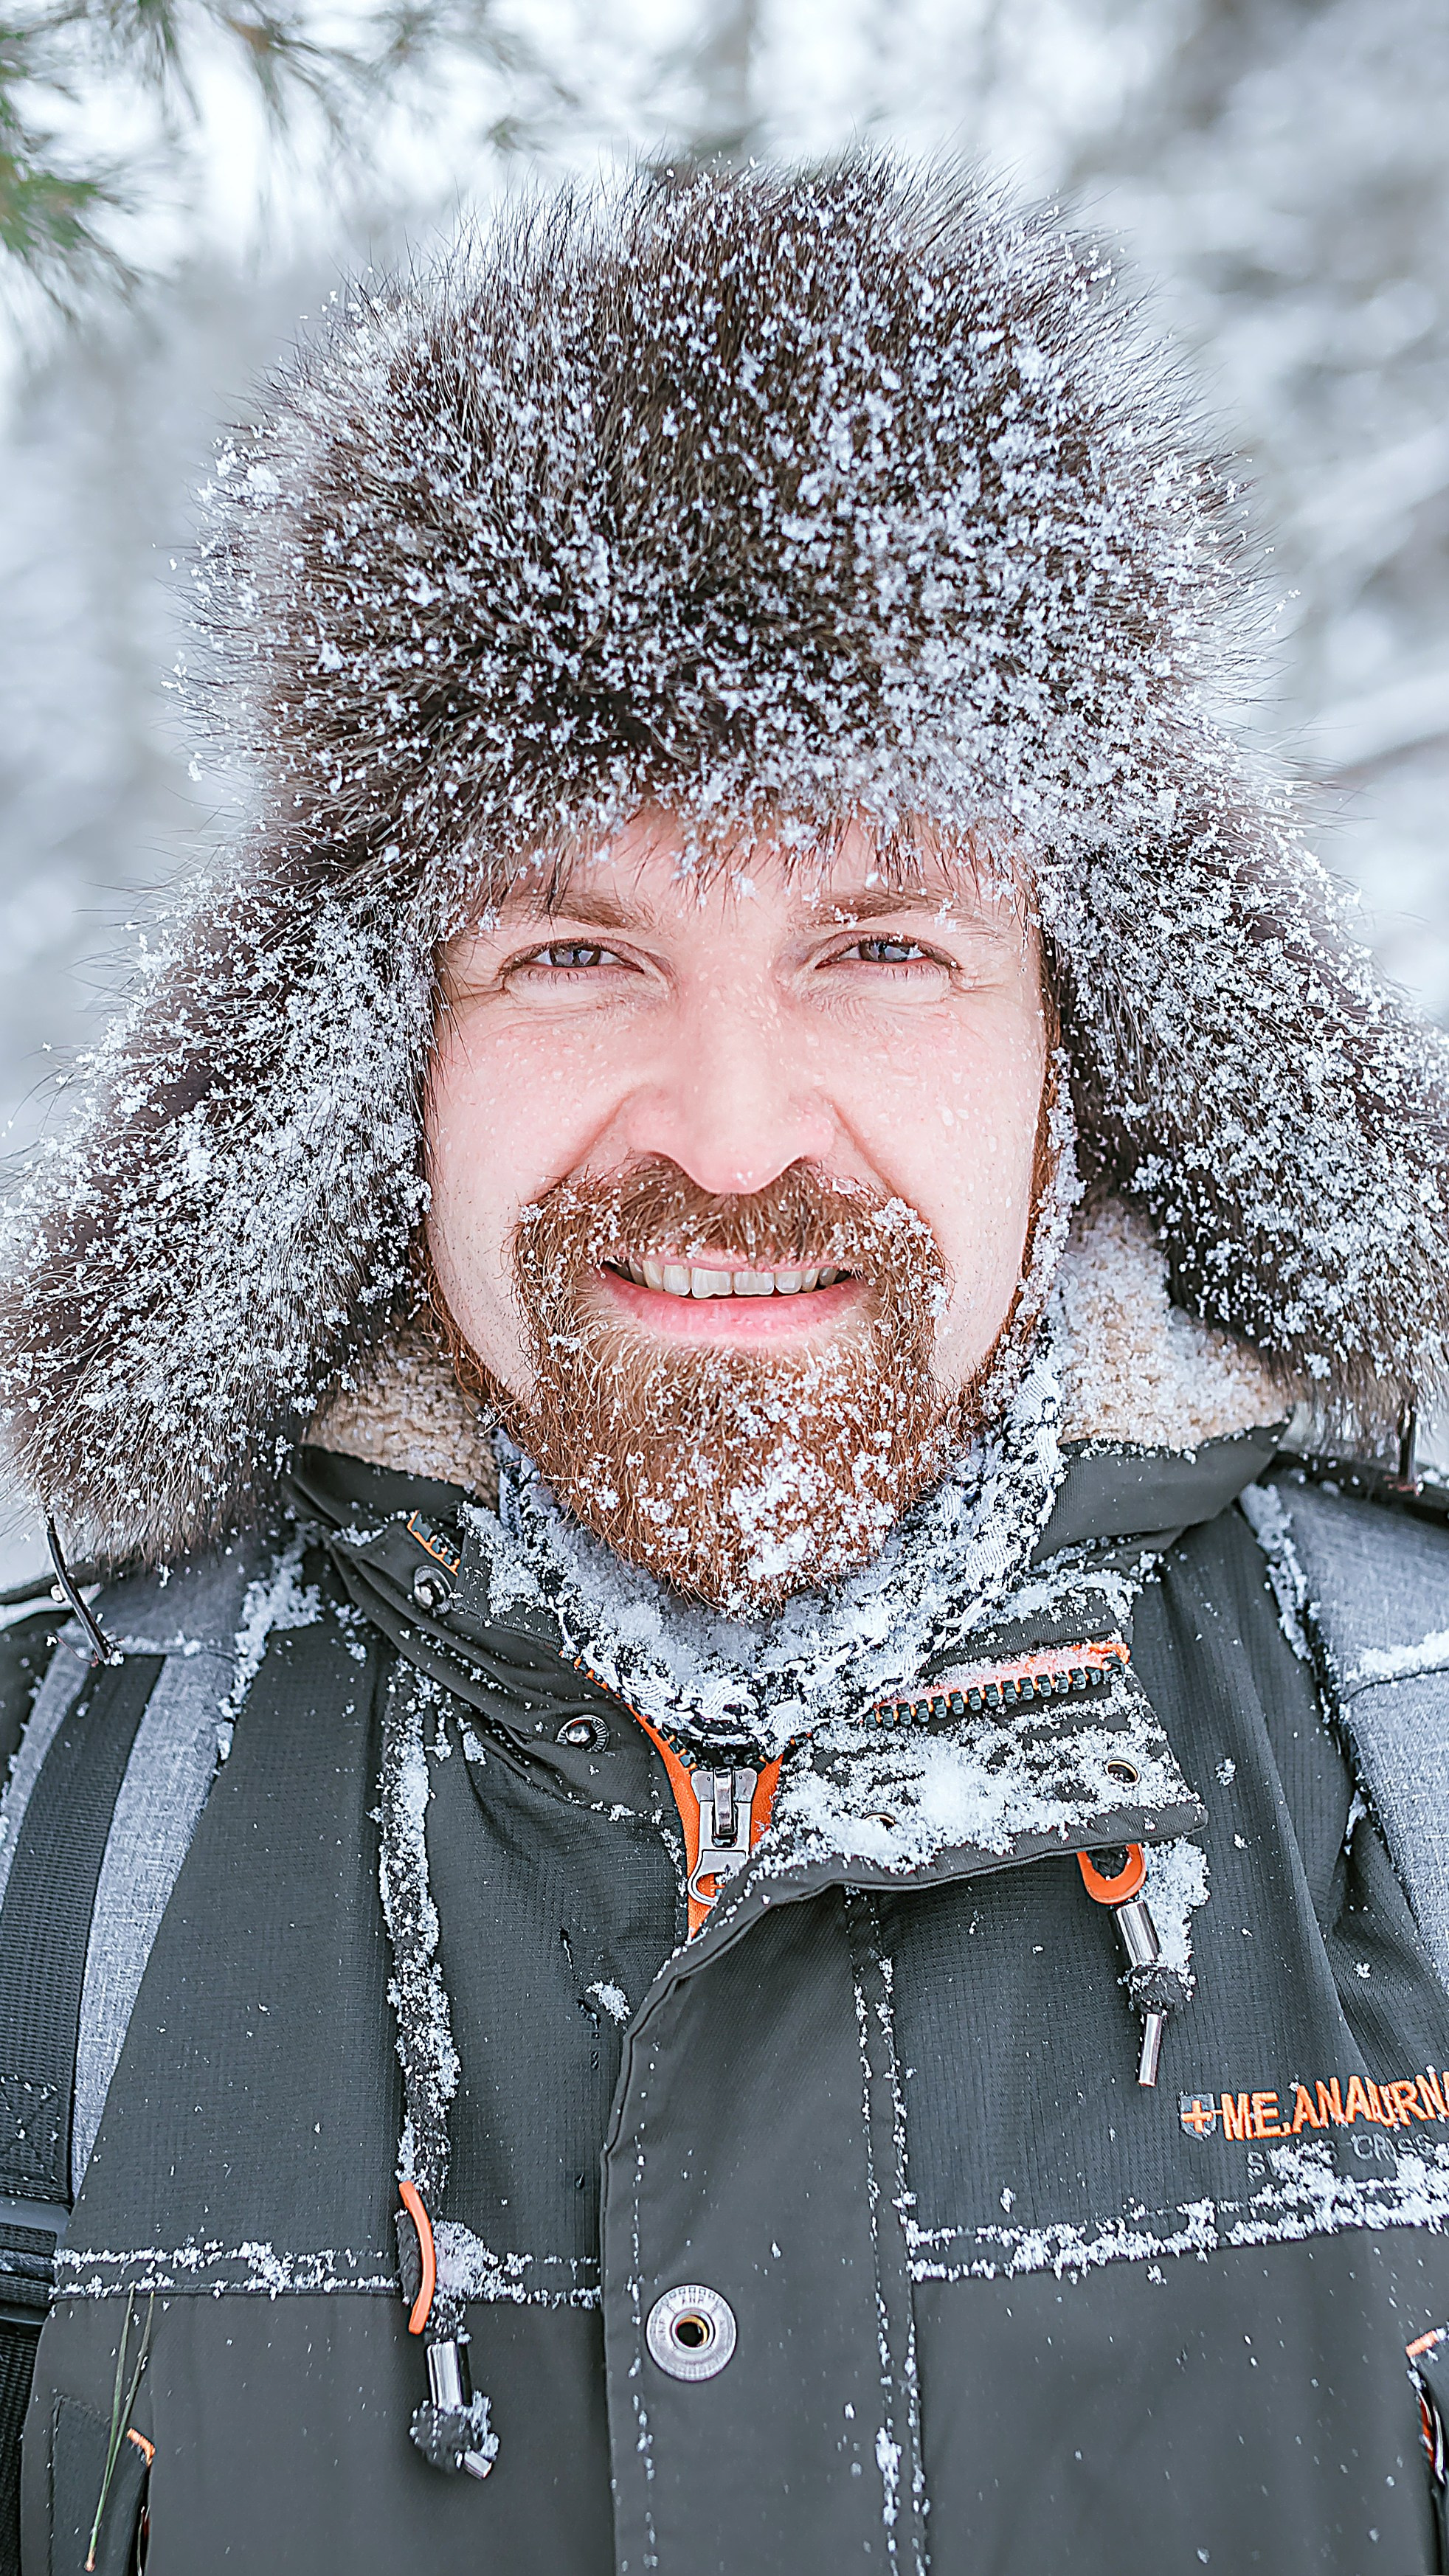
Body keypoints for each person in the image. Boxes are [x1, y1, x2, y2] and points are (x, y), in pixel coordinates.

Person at [2, 159, 1449, 2576]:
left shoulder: (1414, 1737)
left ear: (1087, 1027)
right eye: (576, 954)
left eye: (877, 944)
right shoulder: (53, 1830)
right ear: (374, 1062)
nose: (733, 1131)